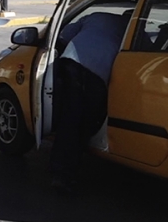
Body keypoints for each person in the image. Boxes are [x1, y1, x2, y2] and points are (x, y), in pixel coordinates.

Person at [49, 10, 131, 193]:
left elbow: (62, 35)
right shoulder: (132, 28)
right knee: (84, 124)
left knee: (69, 119)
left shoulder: (95, 16)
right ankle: (67, 174)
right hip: (98, 74)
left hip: (72, 62)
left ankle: (59, 172)